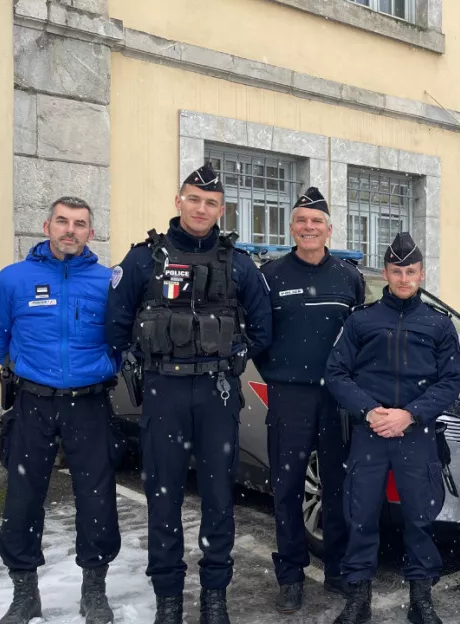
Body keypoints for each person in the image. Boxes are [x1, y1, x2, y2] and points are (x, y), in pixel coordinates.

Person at [105, 164, 273, 624]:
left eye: (211, 203)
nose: (202, 209)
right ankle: (169, 599)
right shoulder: (143, 260)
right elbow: (115, 325)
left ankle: (215, 596)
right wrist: (139, 362)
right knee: (163, 497)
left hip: (217, 394)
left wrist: (233, 358)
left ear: (222, 209)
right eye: (194, 199)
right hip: (164, 394)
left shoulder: (238, 263)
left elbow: (262, 327)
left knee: (220, 497)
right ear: (179, 202)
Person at [0, 196, 120, 624]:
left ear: (90, 233)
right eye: (62, 221)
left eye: (80, 224)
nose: (70, 230)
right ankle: (25, 593)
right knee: (23, 498)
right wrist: (31, 372)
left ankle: (94, 591)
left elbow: (122, 336)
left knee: (97, 499)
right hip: (33, 403)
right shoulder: (12, 279)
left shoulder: (106, 282)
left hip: (90, 404)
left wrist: (100, 369)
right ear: (46, 226)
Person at [324, 232, 460, 624]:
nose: (404, 278)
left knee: (420, 518)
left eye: (411, 271)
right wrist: (370, 412)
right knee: (361, 515)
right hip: (370, 433)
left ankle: (421, 600)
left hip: (416, 434)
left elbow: (450, 381)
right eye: (397, 270)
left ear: (421, 273)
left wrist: (411, 414)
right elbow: (336, 373)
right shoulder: (362, 320)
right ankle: (358, 598)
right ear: (386, 272)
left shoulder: (438, 325)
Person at [253, 187, 366, 613]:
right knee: (286, 488)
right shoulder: (272, 275)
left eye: (316, 221)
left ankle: (336, 567)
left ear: (329, 229)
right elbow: (258, 336)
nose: (309, 227)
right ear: (292, 227)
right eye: (301, 220)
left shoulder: (349, 277)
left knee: (337, 486)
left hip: (336, 399)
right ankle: (291, 575)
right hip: (290, 396)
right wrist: (279, 377)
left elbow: (358, 338)